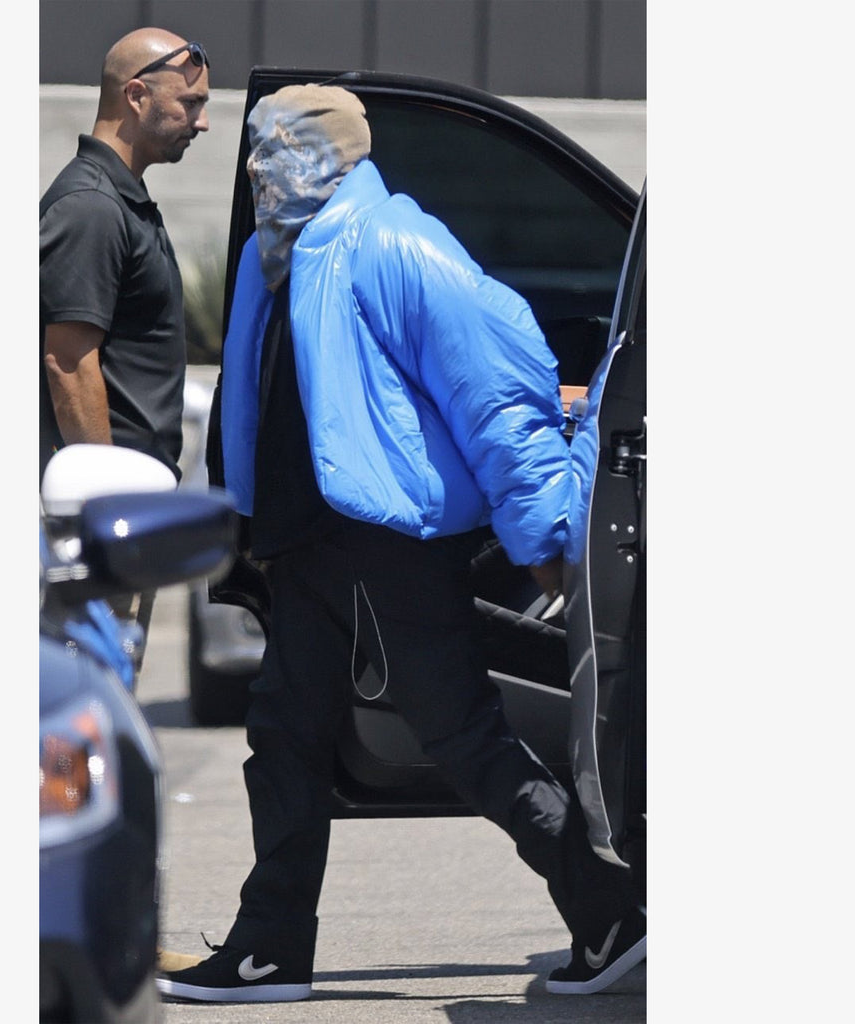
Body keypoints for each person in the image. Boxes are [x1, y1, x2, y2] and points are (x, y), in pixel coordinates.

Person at [157, 84, 646, 1004]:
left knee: (462, 735)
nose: (261, 164)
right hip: (308, 544)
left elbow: (496, 383)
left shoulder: (392, 241)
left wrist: (540, 527)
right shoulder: (279, 254)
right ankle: (269, 950)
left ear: (336, 152)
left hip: (385, 539)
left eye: (283, 145)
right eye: (257, 146)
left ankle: (610, 912)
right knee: (285, 740)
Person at [39, 27, 210, 653]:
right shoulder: (91, 206)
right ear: (136, 96)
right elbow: (67, 362)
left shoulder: (120, 200)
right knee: (87, 700)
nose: (203, 122)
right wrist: (110, 508)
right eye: (190, 104)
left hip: (124, 514)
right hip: (103, 524)